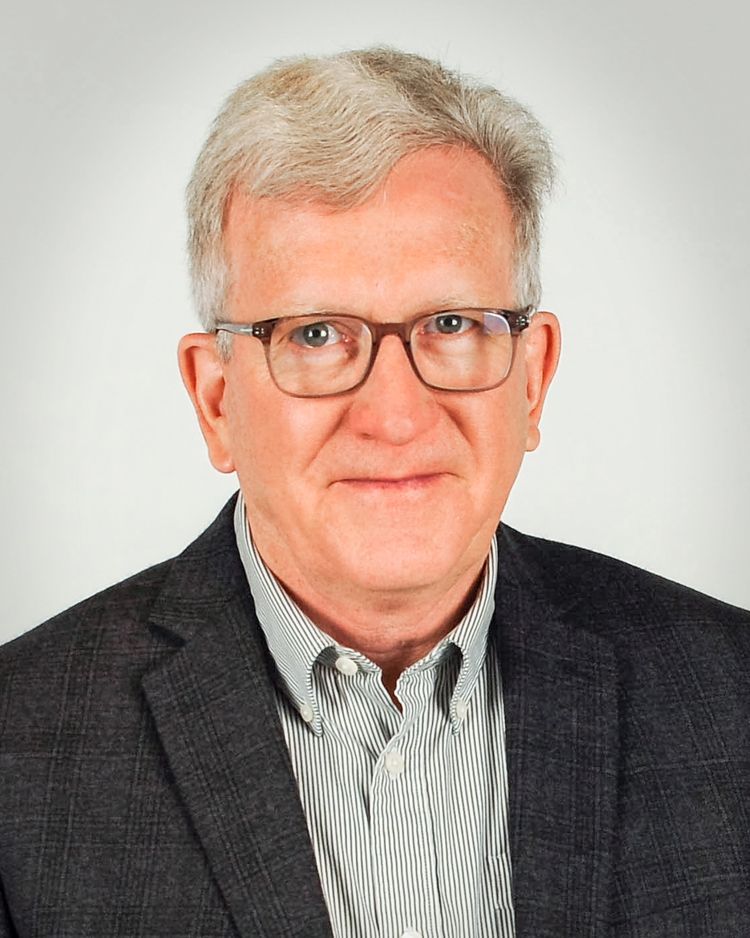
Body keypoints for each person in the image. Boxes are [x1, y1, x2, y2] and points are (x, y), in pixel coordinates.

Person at [0, 46, 748, 938]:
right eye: (316, 333)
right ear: (217, 399)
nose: (396, 415)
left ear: (533, 379)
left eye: (453, 324)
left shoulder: (730, 698)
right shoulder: (20, 751)